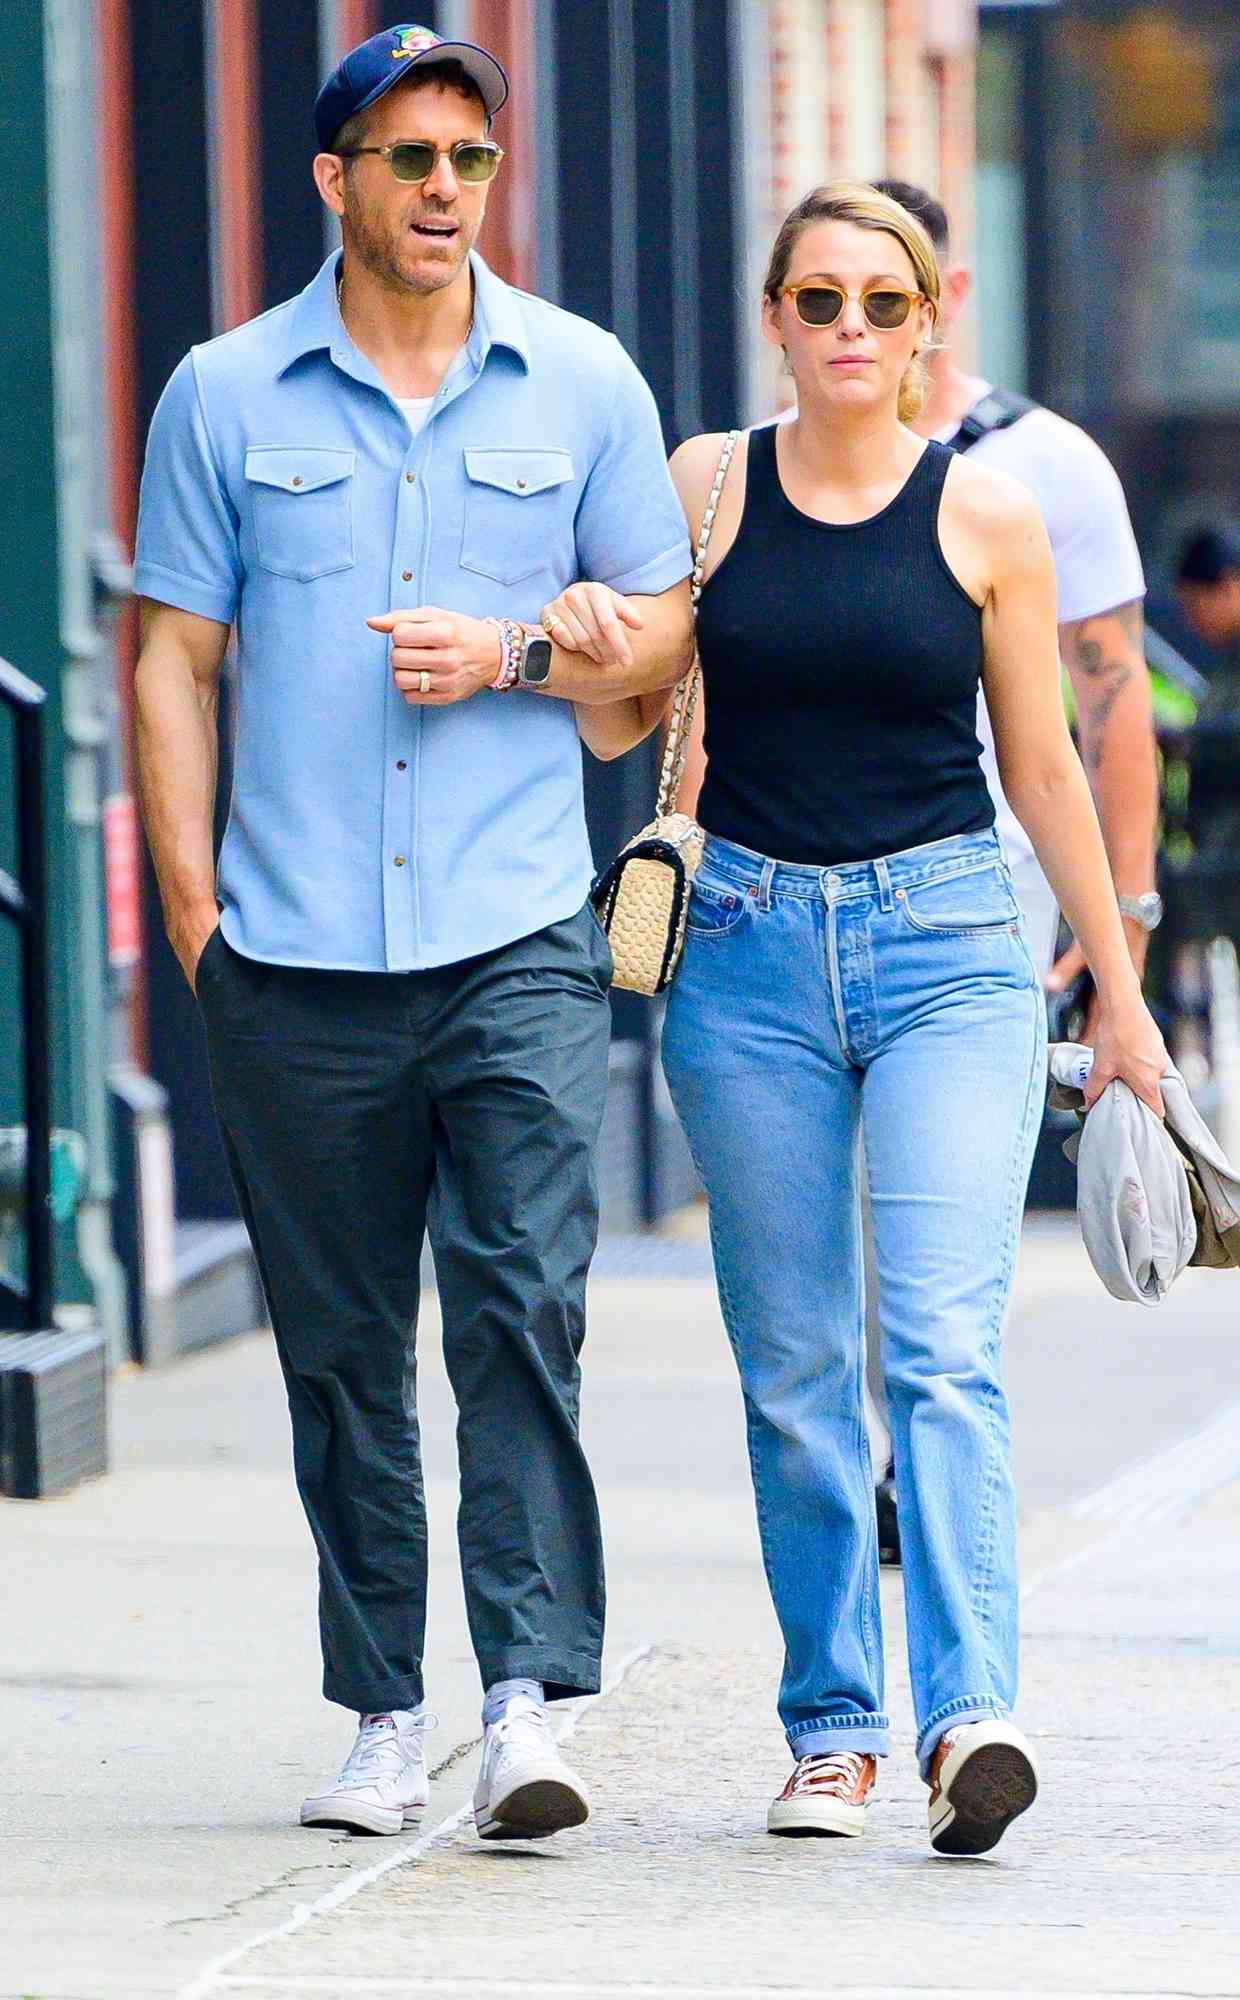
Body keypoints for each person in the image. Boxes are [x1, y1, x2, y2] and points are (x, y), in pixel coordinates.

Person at [543, 183, 1167, 1854]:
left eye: (879, 306)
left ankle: (971, 1718)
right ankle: (833, 1730)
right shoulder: (706, 486)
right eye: (815, 302)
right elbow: (629, 701)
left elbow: (1043, 765)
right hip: (741, 953)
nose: (848, 333)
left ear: (926, 328)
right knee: (799, 1365)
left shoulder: (993, 515)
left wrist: (1121, 989)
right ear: (776, 320)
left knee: (945, 1349)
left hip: (950, 946)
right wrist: (567, 644)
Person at [133, 23, 692, 1844]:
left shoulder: (583, 383)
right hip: (291, 957)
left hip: (520, 927)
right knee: (342, 1344)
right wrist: (198, 919)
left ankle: (526, 1703)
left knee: (522, 1308)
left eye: (469, 157)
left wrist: (533, 650)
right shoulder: (223, 394)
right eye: (409, 159)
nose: (446, 189)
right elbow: (171, 664)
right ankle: (384, 1707)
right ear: (336, 182)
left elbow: (668, 639)